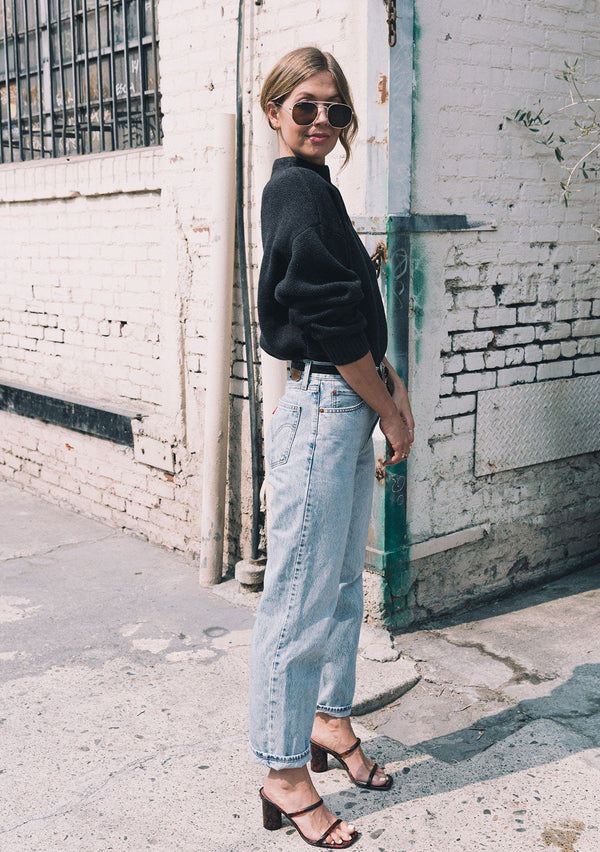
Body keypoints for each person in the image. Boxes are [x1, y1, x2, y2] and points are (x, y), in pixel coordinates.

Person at [248, 47, 415, 848]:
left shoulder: (318, 191)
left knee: (342, 583)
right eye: (305, 106)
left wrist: (389, 388)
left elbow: (353, 311)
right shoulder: (295, 196)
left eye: (335, 110)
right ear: (272, 110)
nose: (320, 121)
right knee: (299, 601)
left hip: (345, 399)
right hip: (325, 404)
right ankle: (283, 771)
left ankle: (330, 719)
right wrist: (389, 409)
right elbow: (325, 322)